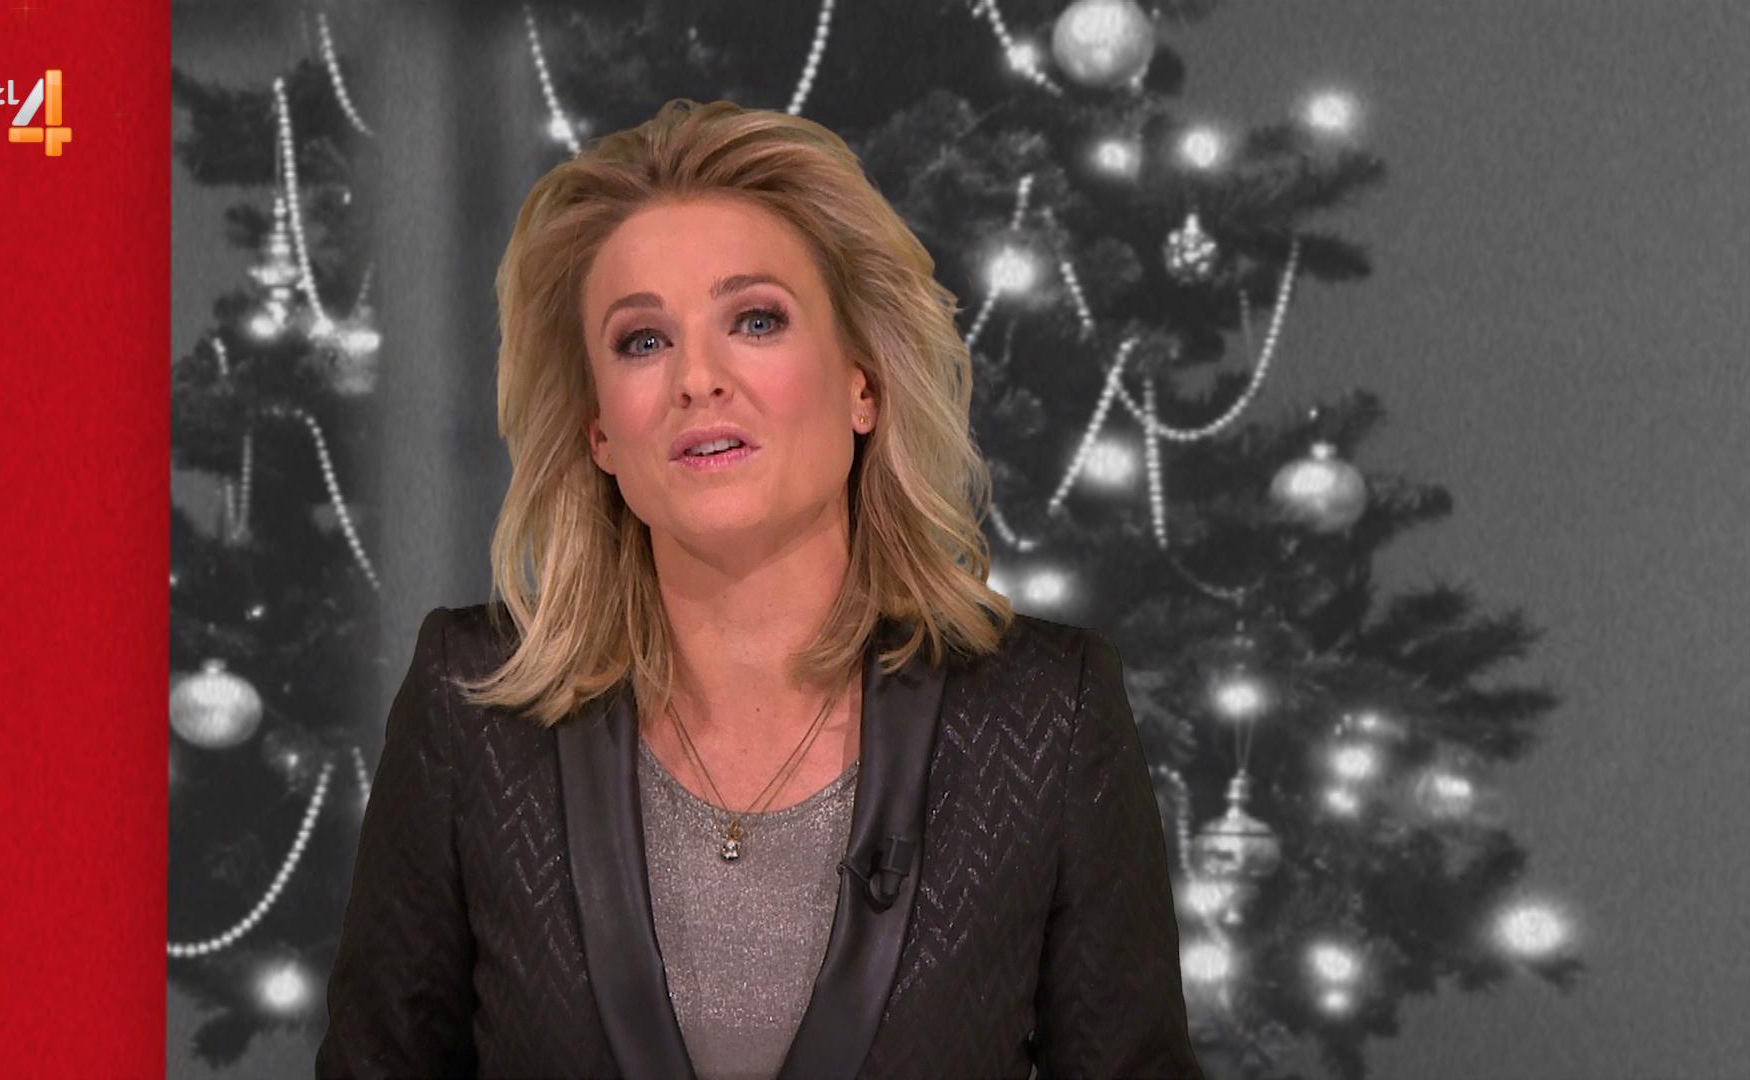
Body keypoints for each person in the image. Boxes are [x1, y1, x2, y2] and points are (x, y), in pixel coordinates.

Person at [316, 98, 1202, 1080]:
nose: (698, 378)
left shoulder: (1047, 713)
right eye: (642, 341)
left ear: (863, 383)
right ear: (599, 430)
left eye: (756, 320)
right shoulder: (471, 706)